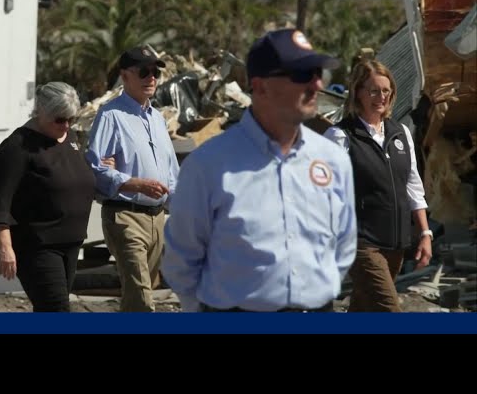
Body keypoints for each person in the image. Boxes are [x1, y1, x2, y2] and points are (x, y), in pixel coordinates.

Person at [162, 28, 357, 312]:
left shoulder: (333, 160)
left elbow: (344, 245)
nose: (316, 85)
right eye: (302, 74)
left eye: (317, 73)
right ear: (261, 86)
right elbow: (181, 262)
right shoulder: (208, 166)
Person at [323, 59, 432, 312]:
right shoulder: (341, 137)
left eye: (386, 91)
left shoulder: (401, 133)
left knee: (365, 309)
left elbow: (413, 185)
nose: (381, 97)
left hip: (395, 243)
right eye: (373, 91)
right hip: (360, 242)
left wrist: (425, 233)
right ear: (358, 92)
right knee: (389, 309)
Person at [0, 81, 98, 312]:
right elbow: (0, 202)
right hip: (38, 246)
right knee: (56, 309)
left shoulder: (71, 138)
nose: (65, 125)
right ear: (40, 112)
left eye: (71, 119)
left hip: (71, 243)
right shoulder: (17, 147)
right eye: (59, 119)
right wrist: (5, 247)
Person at [85, 46, 180, 312]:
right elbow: (95, 167)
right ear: (125, 76)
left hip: (157, 220)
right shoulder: (110, 115)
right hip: (126, 217)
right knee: (141, 298)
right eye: (144, 72)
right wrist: (135, 183)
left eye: (155, 72)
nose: (151, 78)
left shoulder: (159, 119)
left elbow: (172, 173)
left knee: (136, 296)